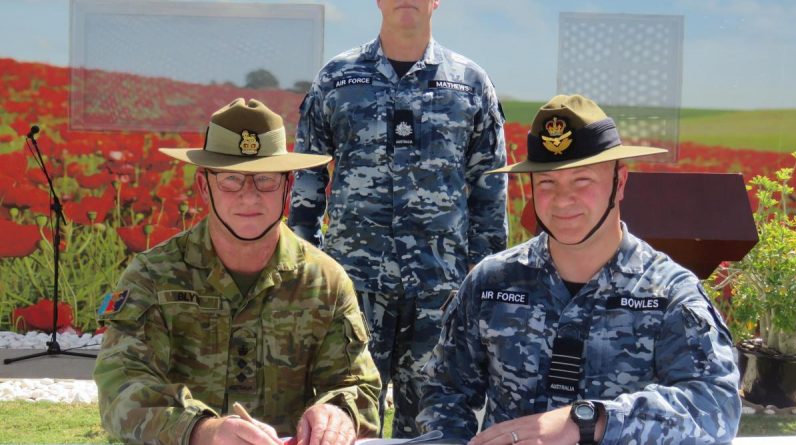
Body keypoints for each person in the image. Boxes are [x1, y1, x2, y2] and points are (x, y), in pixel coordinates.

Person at [417, 94, 741, 444]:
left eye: (582, 181)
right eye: (546, 183)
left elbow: (714, 408)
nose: (562, 200)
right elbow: (445, 392)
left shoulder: (667, 294)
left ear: (620, 182)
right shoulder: (491, 281)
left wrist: (592, 421)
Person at [94, 98, 381, 445]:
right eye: (231, 180)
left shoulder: (324, 282)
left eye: (264, 180)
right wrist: (202, 431)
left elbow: (356, 385)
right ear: (204, 186)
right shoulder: (153, 277)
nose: (249, 197)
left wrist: (338, 414)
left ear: (288, 187)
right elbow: (121, 386)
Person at [289, 0, 508, 436]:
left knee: (434, 424)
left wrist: (484, 280)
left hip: (441, 294)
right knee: (342, 418)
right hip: (354, 287)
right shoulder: (338, 78)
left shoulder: (469, 83)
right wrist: (303, 267)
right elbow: (307, 178)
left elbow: (489, 190)